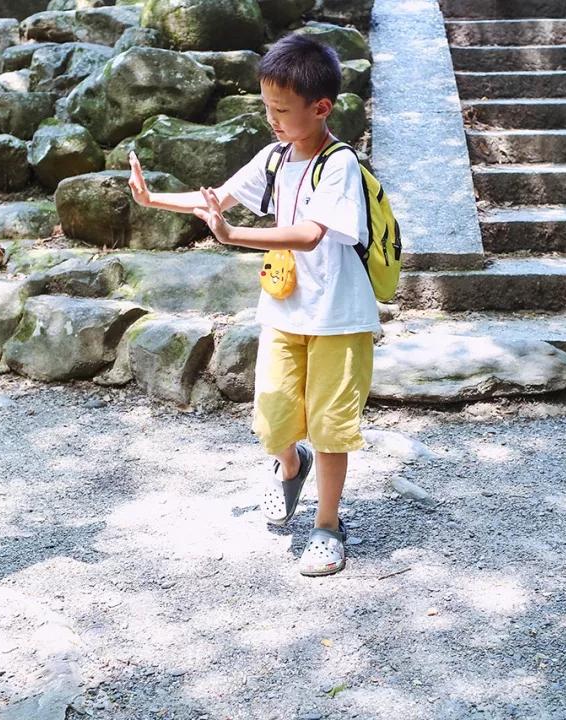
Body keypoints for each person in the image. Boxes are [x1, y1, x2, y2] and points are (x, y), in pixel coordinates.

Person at [127, 33, 377, 576]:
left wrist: (234, 235)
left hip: (339, 316)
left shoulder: (340, 166)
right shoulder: (273, 157)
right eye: (267, 107)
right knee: (274, 420)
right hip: (285, 312)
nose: (273, 119)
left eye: (282, 110)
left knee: (332, 425)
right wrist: (153, 199)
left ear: (321, 107)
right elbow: (216, 199)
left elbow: (312, 233)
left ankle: (327, 526)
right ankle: (291, 467)